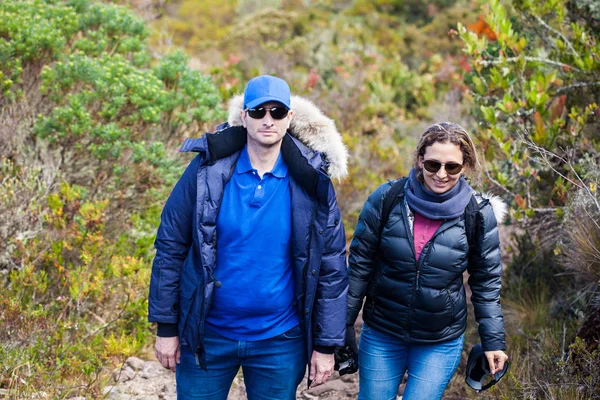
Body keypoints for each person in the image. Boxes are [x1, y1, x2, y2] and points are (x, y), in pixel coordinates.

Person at [148, 75, 349, 399]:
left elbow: (331, 266)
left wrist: (326, 345)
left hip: (280, 341)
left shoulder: (311, 182)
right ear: (243, 116)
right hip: (207, 334)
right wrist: (167, 327)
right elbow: (170, 246)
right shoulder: (206, 171)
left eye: (277, 112)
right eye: (258, 111)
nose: (267, 120)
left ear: (290, 118)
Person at [345, 122, 509, 400]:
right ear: (420, 160)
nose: (441, 174)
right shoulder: (387, 199)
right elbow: (359, 265)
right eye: (433, 164)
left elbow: (486, 283)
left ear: (465, 166)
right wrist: (343, 325)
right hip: (383, 331)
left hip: (440, 340)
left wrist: (493, 341)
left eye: (452, 167)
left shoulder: (478, 214)